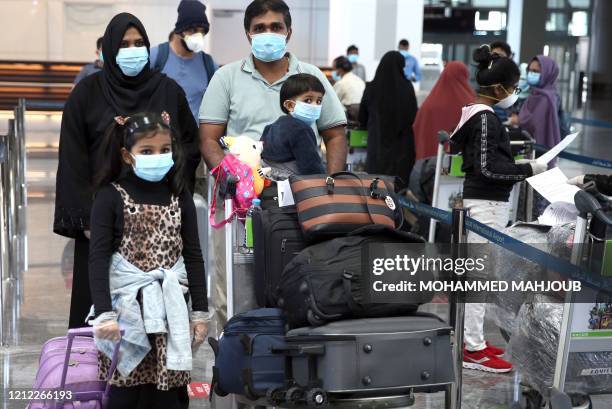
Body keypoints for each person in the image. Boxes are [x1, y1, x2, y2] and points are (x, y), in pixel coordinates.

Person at [199, 0, 347, 326]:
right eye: (260, 28)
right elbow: (209, 137)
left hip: (299, 201)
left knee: (298, 277)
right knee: (236, 287)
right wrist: (228, 174)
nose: (268, 34)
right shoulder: (226, 78)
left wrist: (330, 187)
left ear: (289, 32)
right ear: (248, 34)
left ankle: (297, 356)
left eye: (276, 27)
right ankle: (236, 354)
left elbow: (335, 134)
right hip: (241, 201)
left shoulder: (309, 77)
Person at [54, 13, 200, 329]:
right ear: (108, 48)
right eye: (123, 44)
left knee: (156, 319)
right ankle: (100, 377)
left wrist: (176, 194)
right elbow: (73, 159)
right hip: (104, 219)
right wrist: (86, 217)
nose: (133, 50)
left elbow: (189, 144)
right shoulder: (87, 93)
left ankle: (158, 376)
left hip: (160, 220)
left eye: (139, 43)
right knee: (101, 317)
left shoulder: (167, 90)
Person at [88, 112, 210, 408]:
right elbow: (98, 259)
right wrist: (104, 314)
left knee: (169, 395)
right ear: (127, 156)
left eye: (164, 150)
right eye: (147, 151)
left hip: (171, 313)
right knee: (125, 392)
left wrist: (200, 312)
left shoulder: (180, 197)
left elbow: (193, 255)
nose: (158, 156)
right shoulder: (109, 197)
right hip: (128, 314)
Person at [450, 45, 547, 373]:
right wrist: (527, 170)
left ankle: (471, 340)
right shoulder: (486, 119)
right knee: (478, 278)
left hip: (484, 202)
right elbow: (488, 169)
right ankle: (473, 349)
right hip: (486, 205)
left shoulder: (472, 112)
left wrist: (515, 164)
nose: (515, 93)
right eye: (514, 87)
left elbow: (485, 162)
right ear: (499, 88)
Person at [150, 0, 218, 122]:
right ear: (179, 31)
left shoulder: (208, 63)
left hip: (194, 137)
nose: (198, 35)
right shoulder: (156, 56)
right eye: (192, 30)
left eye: (202, 31)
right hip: (161, 135)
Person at [359, 51, 418, 190]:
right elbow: (413, 115)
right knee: (399, 190)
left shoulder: (371, 88)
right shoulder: (408, 88)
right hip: (402, 147)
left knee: (376, 186)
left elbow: (362, 117)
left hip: (378, 145)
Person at [260, 73, 326, 179]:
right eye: (308, 100)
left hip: (269, 184)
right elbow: (312, 168)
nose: (315, 106)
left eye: (319, 101)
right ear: (290, 105)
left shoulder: (270, 128)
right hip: (293, 189)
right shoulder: (301, 130)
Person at [412, 61, 474, 161]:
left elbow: (417, 129)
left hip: (429, 165)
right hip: (461, 164)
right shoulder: (471, 104)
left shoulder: (429, 104)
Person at [511, 55, 562, 148]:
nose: (531, 74)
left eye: (535, 71)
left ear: (547, 73)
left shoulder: (547, 98)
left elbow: (535, 123)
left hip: (539, 146)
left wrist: (519, 120)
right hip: (530, 142)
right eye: (529, 71)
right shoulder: (535, 93)